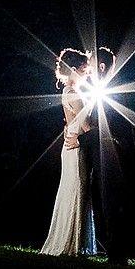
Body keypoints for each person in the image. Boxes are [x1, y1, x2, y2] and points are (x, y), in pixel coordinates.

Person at [37, 52, 95, 256]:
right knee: (77, 190)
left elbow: (70, 121)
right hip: (76, 146)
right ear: (73, 70)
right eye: (83, 69)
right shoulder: (73, 93)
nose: (86, 73)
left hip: (71, 142)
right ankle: (73, 243)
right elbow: (84, 124)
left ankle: (76, 241)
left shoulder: (70, 91)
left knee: (74, 190)